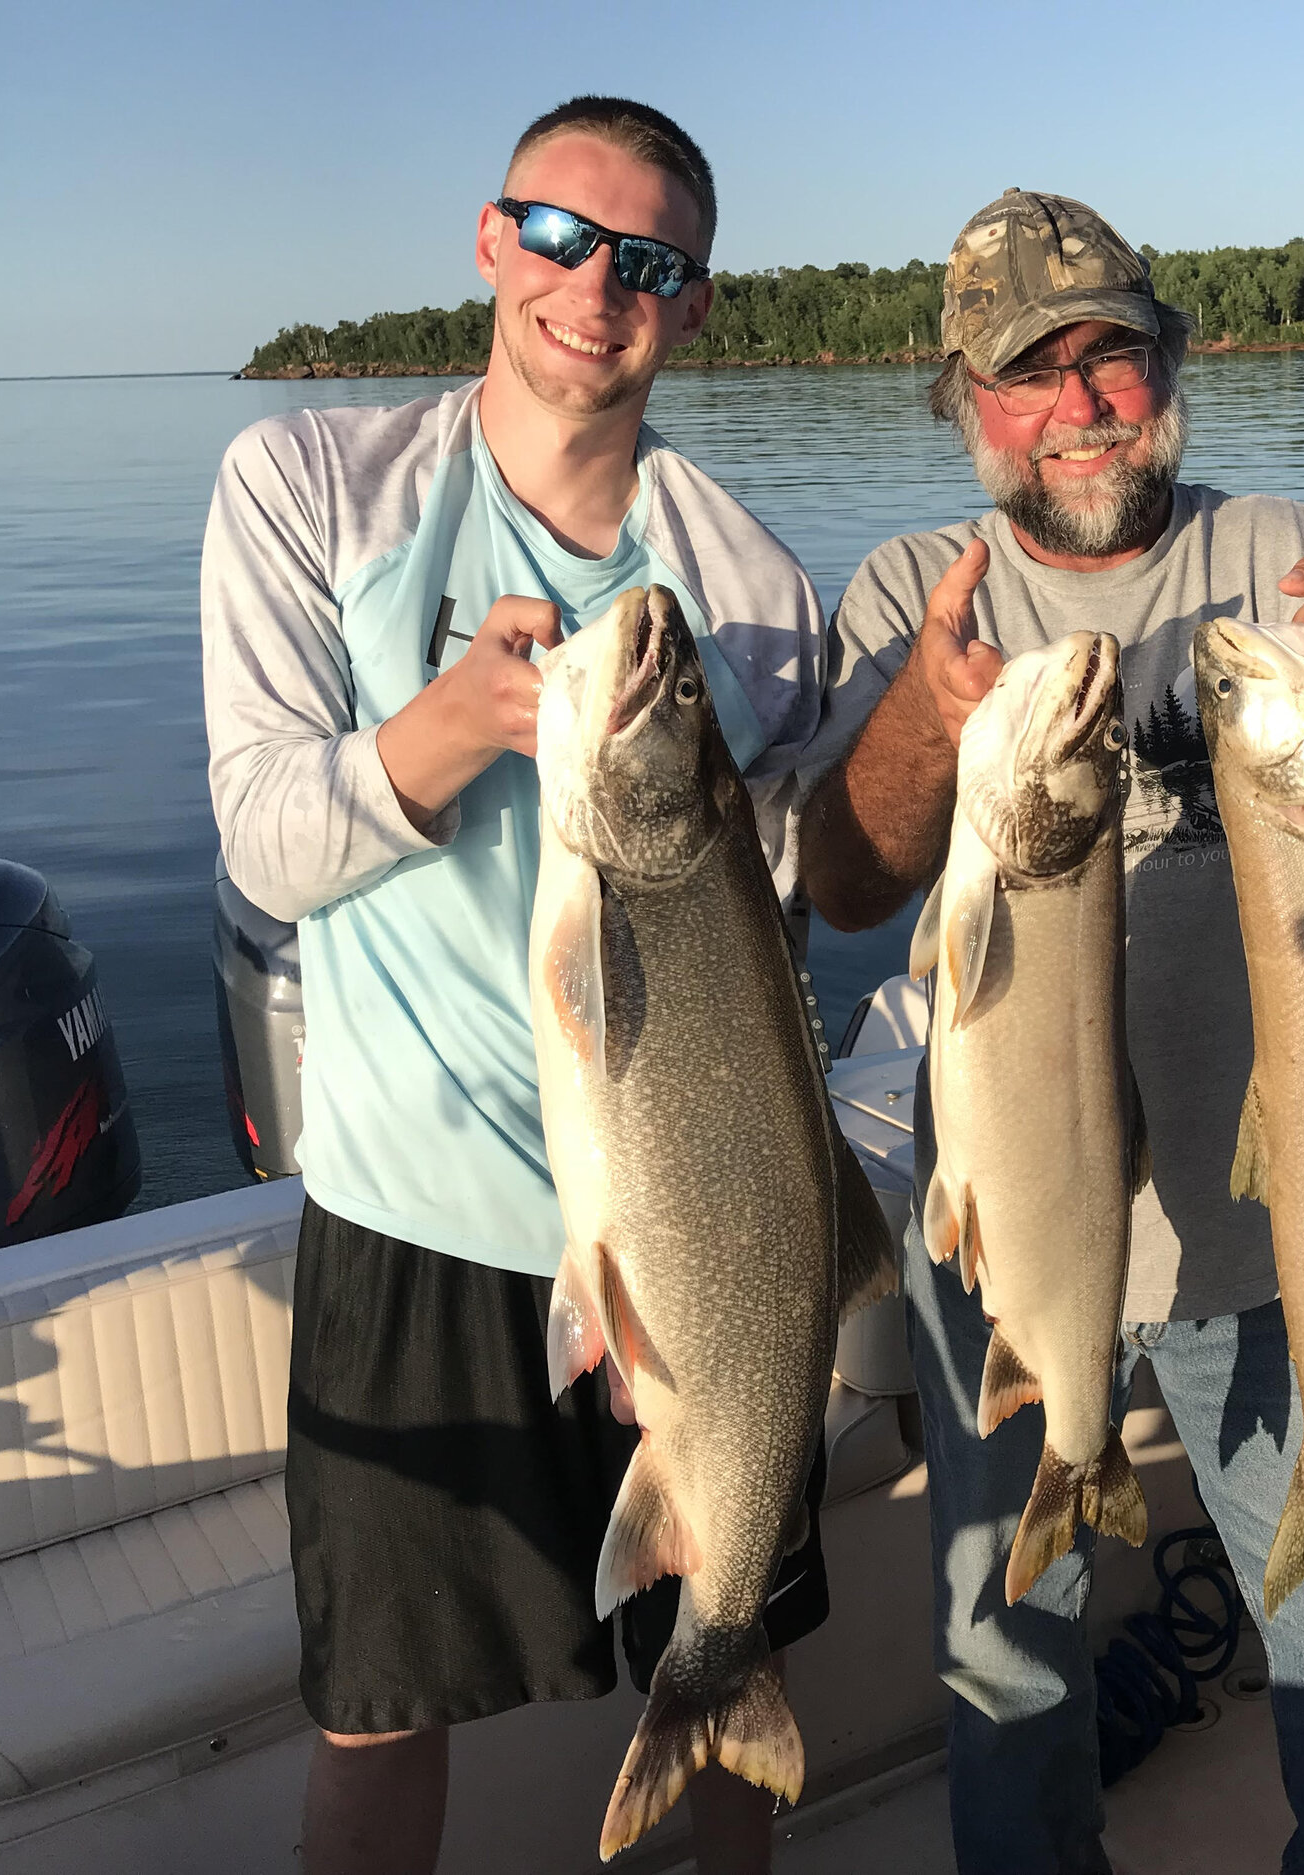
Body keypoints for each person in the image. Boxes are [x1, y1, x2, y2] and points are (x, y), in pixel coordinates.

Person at [796, 189, 1304, 1874]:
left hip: (1278, 1235)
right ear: (966, 399)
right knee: (1003, 1661)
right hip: (1013, 1236)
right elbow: (840, 881)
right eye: (1034, 374)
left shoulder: (1282, 555)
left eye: (1114, 359)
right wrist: (921, 720)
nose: (1084, 405)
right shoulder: (914, 594)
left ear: (1171, 366)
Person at [201, 97, 833, 1875]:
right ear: (490, 241)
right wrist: (445, 730)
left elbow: (780, 930)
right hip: (414, 1216)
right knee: (379, 1704)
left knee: (730, 1638)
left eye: (648, 263)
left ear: (694, 308)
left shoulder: (755, 589)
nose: (594, 287)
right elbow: (264, 840)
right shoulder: (313, 486)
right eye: (559, 234)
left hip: (700, 1213)